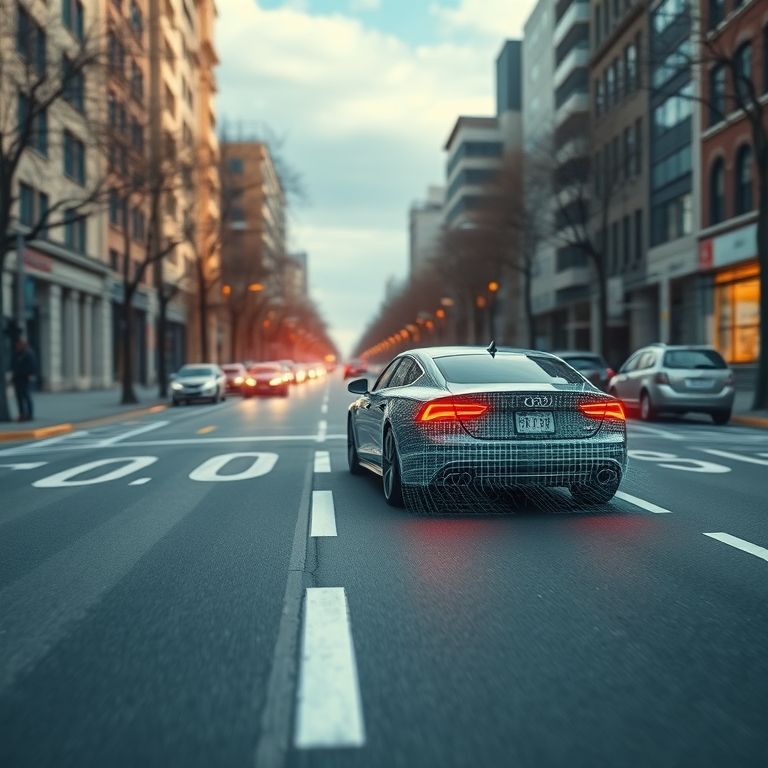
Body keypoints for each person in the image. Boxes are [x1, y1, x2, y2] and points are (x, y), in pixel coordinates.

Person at [11, 338, 37, 422]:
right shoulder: (16, 353)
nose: (17, 346)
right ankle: (22, 414)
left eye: (19, 344)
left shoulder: (29, 353)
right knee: (19, 397)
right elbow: (14, 365)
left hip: (25, 378)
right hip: (17, 378)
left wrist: (30, 374)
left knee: (26, 396)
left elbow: (33, 365)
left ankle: (29, 415)